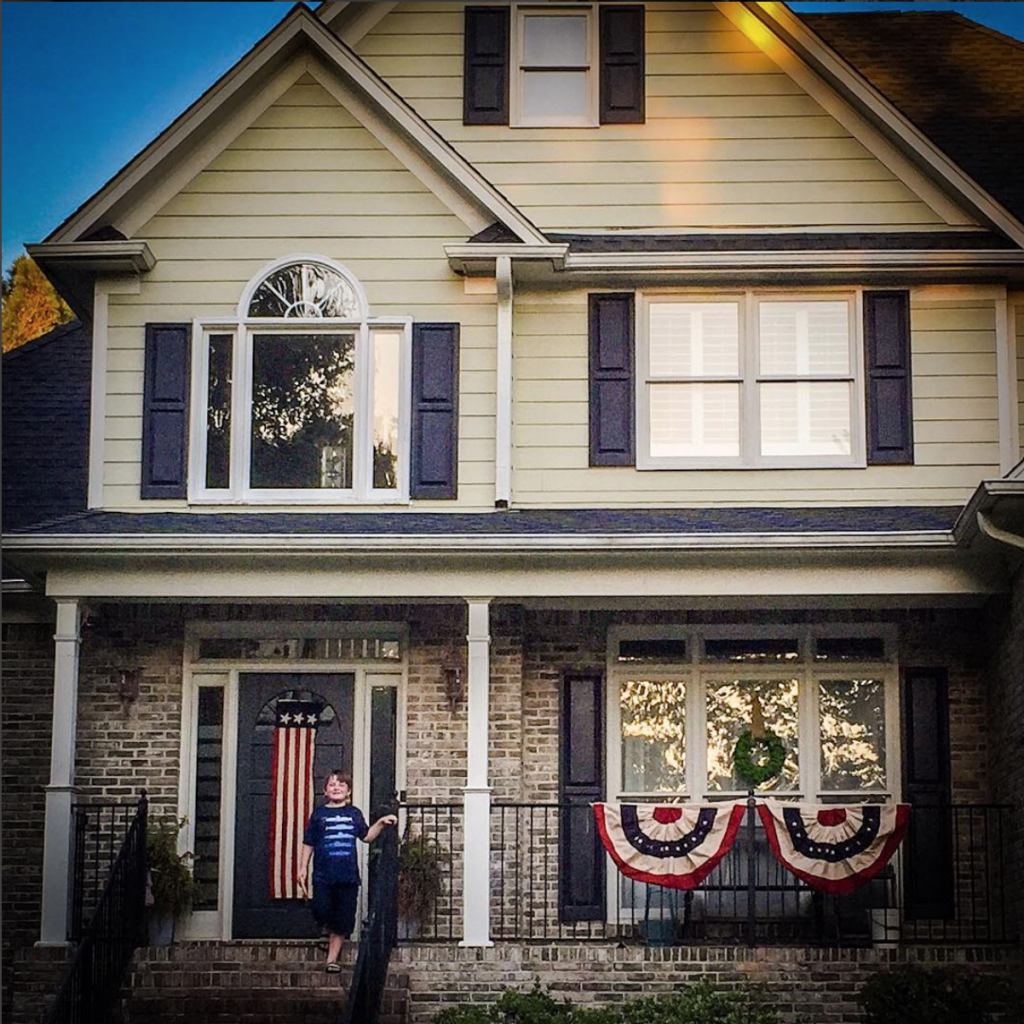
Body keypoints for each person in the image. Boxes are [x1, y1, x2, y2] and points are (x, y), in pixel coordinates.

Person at [297, 770, 397, 973]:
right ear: (325, 791)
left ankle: (332, 960)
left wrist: (380, 823)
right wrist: (302, 868)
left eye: (341, 785)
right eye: (332, 785)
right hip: (323, 875)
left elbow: (367, 837)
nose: (336, 788)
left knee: (343, 918)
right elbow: (309, 843)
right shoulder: (319, 814)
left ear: (348, 791)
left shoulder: (354, 814)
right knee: (321, 907)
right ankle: (325, 927)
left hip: (348, 876)